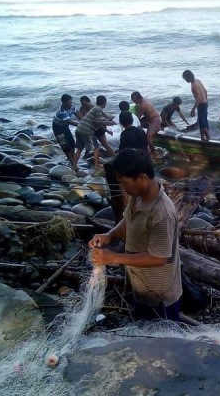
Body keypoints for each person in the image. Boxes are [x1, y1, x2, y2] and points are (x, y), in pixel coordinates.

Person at [88, 148, 182, 321]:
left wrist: (112, 258)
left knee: (161, 340)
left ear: (142, 178)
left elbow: (158, 258)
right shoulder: (138, 196)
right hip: (141, 286)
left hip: (159, 295)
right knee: (143, 332)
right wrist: (109, 235)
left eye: (125, 183)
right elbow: (128, 221)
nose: (123, 188)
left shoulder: (162, 213)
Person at [72, 95, 116, 170]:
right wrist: (109, 123)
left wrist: (107, 130)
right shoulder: (98, 109)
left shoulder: (95, 108)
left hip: (79, 129)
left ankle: (74, 166)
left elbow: (102, 120)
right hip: (87, 131)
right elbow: (98, 122)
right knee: (96, 148)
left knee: (79, 149)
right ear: (104, 103)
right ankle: (96, 166)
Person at [182, 69, 210, 141]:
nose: (185, 80)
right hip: (205, 103)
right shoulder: (198, 81)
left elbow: (198, 98)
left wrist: (193, 109)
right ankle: (202, 138)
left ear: (188, 77)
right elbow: (205, 91)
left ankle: (209, 139)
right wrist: (206, 100)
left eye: (185, 78)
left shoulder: (193, 86)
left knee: (202, 124)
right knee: (202, 122)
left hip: (201, 105)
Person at [131, 91, 161, 156]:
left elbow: (137, 117)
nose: (134, 102)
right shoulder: (144, 99)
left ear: (139, 98)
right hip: (149, 119)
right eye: (133, 100)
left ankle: (153, 152)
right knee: (139, 127)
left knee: (148, 137)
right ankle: (145, 145)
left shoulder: (143, 105)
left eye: (134, 100)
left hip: (155, 120)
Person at [52, 94, 79, 163]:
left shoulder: (72, 106)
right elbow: (71, 122)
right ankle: (71, 162)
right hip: (57, 128)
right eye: (69, 103)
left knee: (72, 143)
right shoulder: (62, 112)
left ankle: (72, 158)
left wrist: (84, 120)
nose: (71, 104)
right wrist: (82, 125)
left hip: (65, 126)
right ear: (63, 103)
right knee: (65, 146)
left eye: (71, 102)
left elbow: (78, 114)